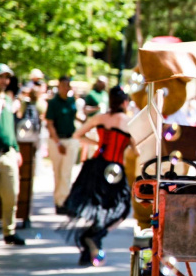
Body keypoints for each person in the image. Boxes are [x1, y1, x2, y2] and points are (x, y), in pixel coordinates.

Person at [63, 86, 134, 266]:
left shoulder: (100, 117)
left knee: (96, 208)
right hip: (114, 170)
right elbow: (136, 149)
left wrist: (97, 142)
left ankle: (89, 250)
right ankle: (95, 236)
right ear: (125, 102)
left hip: (96, 166)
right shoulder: (128, 121)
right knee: (122, 207)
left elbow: (77, 134)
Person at [0, 64, 25, 246]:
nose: (4, 81)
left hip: (8, 153)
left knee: (12, 194)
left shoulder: (7, 99)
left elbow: (9, 127)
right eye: (1, 77)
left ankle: (9, 231)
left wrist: (16, 148)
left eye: (7, 77)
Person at [45, 76, 80, 214]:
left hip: (70, 139)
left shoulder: (72, 101)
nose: (66, 88)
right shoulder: (53, 103)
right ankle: (58, 202)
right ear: (59, 86)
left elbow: (75, 117)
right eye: (63, 85)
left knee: (67, 172)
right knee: (58, 172)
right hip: (57, 140)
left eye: (67, 85)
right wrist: (58, 142)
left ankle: (64, 201)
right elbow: (50, 124)